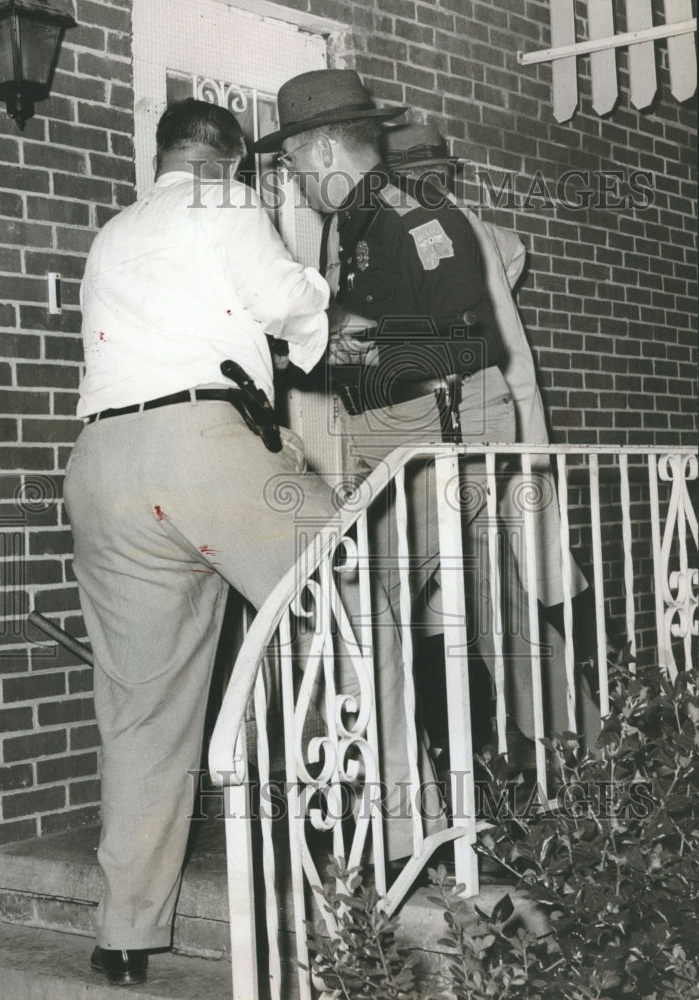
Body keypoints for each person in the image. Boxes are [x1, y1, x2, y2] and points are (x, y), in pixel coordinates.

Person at [64, 98, 442, 987]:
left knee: (141, 708)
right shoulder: (226, 203)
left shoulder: (114, 230)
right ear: (232, 160)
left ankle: (124, 935)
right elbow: (284, 306)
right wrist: (318, 299)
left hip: (100, 468)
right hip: (203, 448)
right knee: (361, 612)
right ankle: (400, 847)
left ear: (159, 153)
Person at [254, 71, 601, 763]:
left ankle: (373, 796)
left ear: (323, 150)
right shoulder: (356, 219)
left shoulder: (409, 209)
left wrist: (345, 333)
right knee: (496, 605)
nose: (291, 179)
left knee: (362, 601)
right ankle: (583, 756)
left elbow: (464, 340)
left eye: (293, 163)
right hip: (415, 427)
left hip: (439, 426)